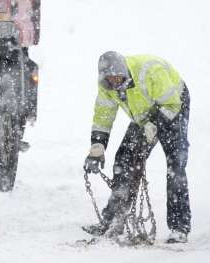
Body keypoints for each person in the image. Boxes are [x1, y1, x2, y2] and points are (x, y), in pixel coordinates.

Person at [82, 51, 191, 243]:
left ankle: (179, 227)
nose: (115, 82)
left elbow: (173, 104)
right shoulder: (107, 87)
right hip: (144, 114)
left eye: (118, 77)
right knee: (124, 160)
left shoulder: (151, 71)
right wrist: (97, 146)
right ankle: (114, 219)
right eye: (110, 78)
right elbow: (103, 116)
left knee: (175, 164)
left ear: (125, 72)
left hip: (173, 107)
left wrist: (155, 124)